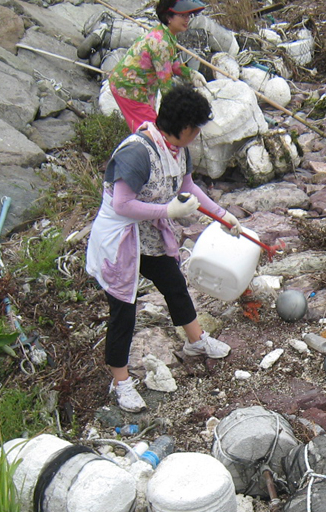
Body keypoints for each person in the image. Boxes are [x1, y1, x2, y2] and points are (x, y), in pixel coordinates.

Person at [86, 84, 241, 413]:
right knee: (123, 312)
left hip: (150, 235)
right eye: (197, 129)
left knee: (173, 283)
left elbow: (187, 187)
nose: (197, 135)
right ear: (186, 128)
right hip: (120, 239)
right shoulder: (138, 152)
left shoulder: (176, 150)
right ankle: (121, 381)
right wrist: (168, 212)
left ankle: (197, 341)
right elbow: (123, 203)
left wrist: (222, 215)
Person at [108, 0, 208, 132]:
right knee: (151, 132)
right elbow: (165, 83)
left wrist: (191, 74)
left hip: (142, 86)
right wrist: (176, 112)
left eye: (188, 16)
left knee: (150, 129)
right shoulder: (162, 43)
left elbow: (169, 64)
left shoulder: (166, 35)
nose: (187, 20)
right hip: (130, 88)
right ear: (169, 17)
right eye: (182, 16)